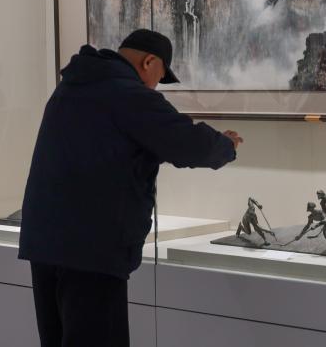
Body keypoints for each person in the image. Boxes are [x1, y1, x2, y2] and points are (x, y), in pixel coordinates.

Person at [18, 29, 242, 347]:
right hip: (91, 248)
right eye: (159, 77)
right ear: (149, 62)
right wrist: (226, 145)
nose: (155, 86)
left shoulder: (71, 87)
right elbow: (184, 143)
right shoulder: (127, 94)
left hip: (45, 242)